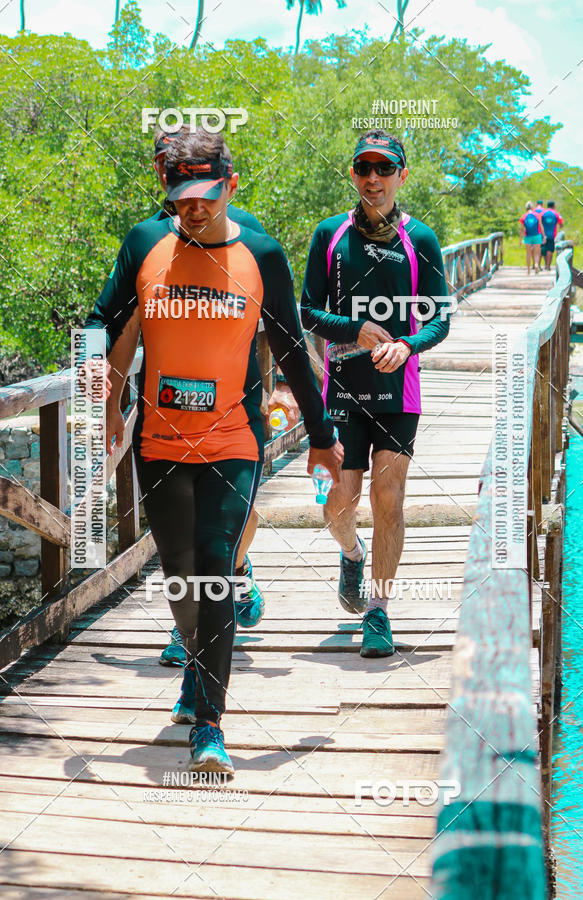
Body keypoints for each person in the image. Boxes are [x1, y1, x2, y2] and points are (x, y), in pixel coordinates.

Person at [83, 127, 343, 773]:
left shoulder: (261, 253)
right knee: (181, 575)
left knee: (218, 568)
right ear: (164, 188)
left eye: (204, 195)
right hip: (159, 437)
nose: (192, 208)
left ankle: (209, 726)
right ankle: (196, 672)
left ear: (230, 185)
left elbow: (291, 351)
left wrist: (323, 438)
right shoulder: (147, 243)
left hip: (233, 439)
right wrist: (100, 397)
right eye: (178, 196)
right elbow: (100, 320)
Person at [301, 129, 450, 659]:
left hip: (397, 391)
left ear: (401, 177)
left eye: (384, 169)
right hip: (340, 388)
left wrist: (407, 345)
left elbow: (440, 320)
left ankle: (379, 611)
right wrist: (356, 329)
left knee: (389, 498)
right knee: (336, 500)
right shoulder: (329, 235)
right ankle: (351, 553)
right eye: (364, 168)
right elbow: (306, 312)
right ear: (353, 175)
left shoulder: (421, 240)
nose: (373, 178)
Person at [519, 201, 544, 274]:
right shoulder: (537, 215)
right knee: (537, 253)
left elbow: (522, 229)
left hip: (527, 236)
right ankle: (536, 264)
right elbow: (540, 226)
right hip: (537, 235)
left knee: (528, 253)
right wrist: (544, 236)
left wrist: (520, 240)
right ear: (532, 207)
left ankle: (528, 270)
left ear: (526, 208)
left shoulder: (524, 216)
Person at [540, 200, 564, 270]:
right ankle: (548, 266)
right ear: (554, 206)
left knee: (543, 249)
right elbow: (561, 224)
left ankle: (543, 264)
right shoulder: (556, 214)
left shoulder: (543, 213)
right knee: (550, 250)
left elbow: (538, 222)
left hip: (543, 235)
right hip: (552, 235)